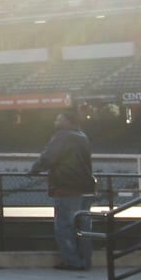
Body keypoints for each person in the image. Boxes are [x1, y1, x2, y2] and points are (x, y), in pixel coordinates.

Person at [28, 111, 96, 271]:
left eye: (59, 118)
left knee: (64, 226)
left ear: (67, 121)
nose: (55, 121)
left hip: (66, 187)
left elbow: (49, 158)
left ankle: (72, 261)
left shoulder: (62, 136)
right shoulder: (82, 136)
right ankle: (85, 260)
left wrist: (34, 169)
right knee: (84, 228)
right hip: (86, 187)